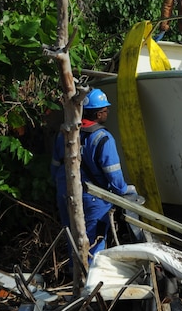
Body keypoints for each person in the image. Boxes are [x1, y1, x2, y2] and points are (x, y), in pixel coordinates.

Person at [51, 88, 137, 258]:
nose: (107, 112)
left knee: (73, 242)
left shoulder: (65, 134)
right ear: (98, 114)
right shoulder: (103, 138)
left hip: (65, 193)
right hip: (92, 200)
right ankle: (91, 280)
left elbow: (55, 168)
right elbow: (114, 176)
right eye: (105, 110)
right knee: (93, 243)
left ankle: (75, 277)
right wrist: (123, 191)